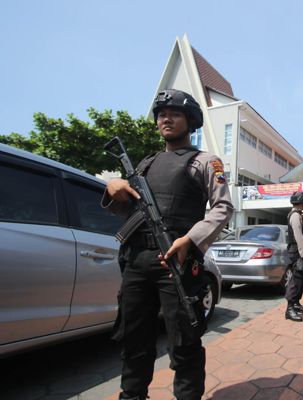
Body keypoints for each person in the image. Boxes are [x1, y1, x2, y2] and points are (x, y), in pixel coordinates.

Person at [102, 88, 234, 400]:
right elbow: (128, 208)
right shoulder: (145, 164)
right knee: (134, 337)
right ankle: (132, 394)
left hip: (178, 260)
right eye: (161, 114)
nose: (166, 118)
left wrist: (191, 240)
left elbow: (223, 207)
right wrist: (113, 187)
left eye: (174, 113)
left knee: (184, 339)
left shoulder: (204, 161)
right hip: (137, 260)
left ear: (190, 121)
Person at [284, 191, 303, 322]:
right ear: (301, 203)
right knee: (295, 279)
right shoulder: (295, 216)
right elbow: (298, 236)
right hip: (297, 251)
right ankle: (289, 309)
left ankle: (296, 304)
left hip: (298, 251)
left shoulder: (300, 215)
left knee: (300, 278)